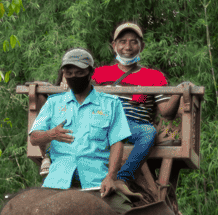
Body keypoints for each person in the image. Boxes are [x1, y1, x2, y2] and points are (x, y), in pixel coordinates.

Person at [91, 21, 189, 192]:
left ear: (141, 46)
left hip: (133, 126)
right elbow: (80, 91)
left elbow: (166, 112)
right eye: (122, 42)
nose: (127, 47)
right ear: (114, 46)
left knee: (148, 132)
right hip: (105, 123)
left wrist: (179, 91)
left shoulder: (154, 77)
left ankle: (123, 178)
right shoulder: (99, 73)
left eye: (133, 41)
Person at [28, 48, 130, 195]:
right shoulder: (53, 103)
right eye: (68, 74)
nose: (73, 77)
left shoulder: (111, 104)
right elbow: (34, 138)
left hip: (96, 181)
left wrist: (110, 177)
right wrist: (51, 134)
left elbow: (117, 143)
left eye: (79, 73)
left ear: (90, 72)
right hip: (57, 181)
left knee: (125, 213)